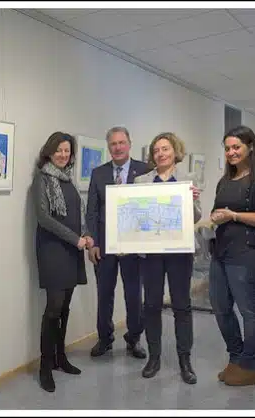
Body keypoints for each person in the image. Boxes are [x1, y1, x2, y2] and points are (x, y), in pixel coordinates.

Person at [209, 125, 255, 386]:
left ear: (250, 147)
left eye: (236, 147)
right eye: (227, 148)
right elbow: (217, 212)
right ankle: (235, 356)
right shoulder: (225, 180)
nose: (231, 152)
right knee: (220, 308)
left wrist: (234, 215)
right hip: (221, 254)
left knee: (249, 311)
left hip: (249, 255)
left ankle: (249, 365)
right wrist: (213, 216)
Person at [134, 132, 202, 384]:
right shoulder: (141, 181)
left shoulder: (188, 179)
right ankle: (154, 358)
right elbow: (136, 216)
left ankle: (185, 360)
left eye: (165, 149)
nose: (160, 154)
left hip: (179, 252)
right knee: (151, 305)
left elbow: (195, 217)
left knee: (182, 306)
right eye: (156, 150)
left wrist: (193, 201)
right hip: (151, 252)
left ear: (175, 151)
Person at [32, 131, 94, 393]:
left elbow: (80, 214)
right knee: (53, 309)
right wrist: (75, 239)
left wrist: (87, 234)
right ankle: (45, 367)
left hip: (72, 249)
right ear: (49, 151)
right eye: (59, 149)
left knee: (65, 307)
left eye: (67, 150)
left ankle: (60, 358)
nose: (63, 154)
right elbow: (44, 218)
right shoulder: (42, 179)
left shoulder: (68, 180)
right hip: (53, 251)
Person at [86, 126, 150, 359]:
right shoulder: (99, 173)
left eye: (122, 142)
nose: (118, 147)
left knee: (134, 295)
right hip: (104, 245)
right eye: (113, 144)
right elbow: (91, 211)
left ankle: (134, 339)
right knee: (104, 294)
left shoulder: (145, 170)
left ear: (129, 144)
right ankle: (105, 338)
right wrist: (92, 242)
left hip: (134, 246)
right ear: (108, 147)